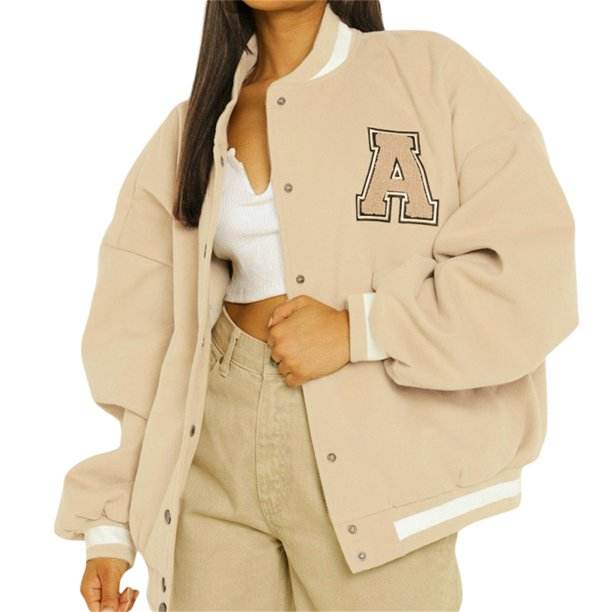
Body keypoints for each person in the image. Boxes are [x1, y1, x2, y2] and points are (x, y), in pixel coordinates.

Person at [54, 1, 579, 610]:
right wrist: (110, 522)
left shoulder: (429, 74)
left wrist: (361, 329)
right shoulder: (193, 125)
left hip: (378, 460)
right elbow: (141, 337)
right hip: (213, 454)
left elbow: (531, 268)